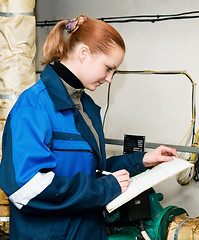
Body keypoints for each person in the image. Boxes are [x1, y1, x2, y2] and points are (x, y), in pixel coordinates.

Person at [0, 15, 178, 240]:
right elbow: (27, 188)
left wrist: (141, 161)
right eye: (108, 68)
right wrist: (104, 189)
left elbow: (92, 171)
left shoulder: (86, 107)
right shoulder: (34, 107)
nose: (110, 79)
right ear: (84, 54)